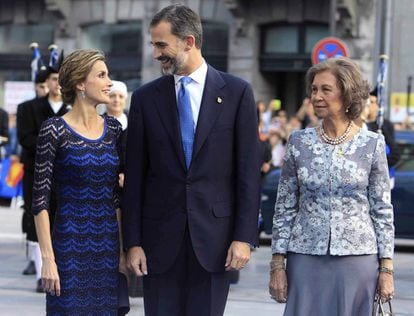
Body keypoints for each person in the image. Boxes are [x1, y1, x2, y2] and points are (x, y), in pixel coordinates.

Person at [122, 4, 261, 315]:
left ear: (188, 41)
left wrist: (243, 237)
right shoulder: (145, 98)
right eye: (153, 45)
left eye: (161, 44)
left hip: (216, 244)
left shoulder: (238, 93)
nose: (156, 54)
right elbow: (135, 178)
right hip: (158, 244)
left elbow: (248, 174)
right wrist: (133, 242)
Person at [269, 57, 395, 315]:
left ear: (347, 93)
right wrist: (277, 265)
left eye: (326, 89)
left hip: (358, 259)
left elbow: (382, 210)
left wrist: (386, 269)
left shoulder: (372, 144)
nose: (317, 96)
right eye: (314, 89)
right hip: (305, 256)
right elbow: (284, 208)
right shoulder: (298, 142)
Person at [32, 49, 126, 314]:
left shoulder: (115, 130)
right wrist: (48, 259)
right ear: (80, 84)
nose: (109, 82)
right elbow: (40, 201)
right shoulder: (54, 129)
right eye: (102, 75)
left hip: (106, 249)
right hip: (68, 249)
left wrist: (120, 252)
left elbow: (116, 197)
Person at [17, 66, 68, 292]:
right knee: (36, 218)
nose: (57, 84)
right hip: (36, 172)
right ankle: (41, 273)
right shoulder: (28, 108)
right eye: (54, 79)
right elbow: (25, 138)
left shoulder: (72, 108)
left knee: (61, 219)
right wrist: (54, 144)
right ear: (47, 82)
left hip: (66, 175)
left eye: (61, 80)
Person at [365, 90, 400, 189]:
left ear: (378, 105)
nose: (368, 105)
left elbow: (395, 155)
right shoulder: (359, 124)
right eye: (367, 102)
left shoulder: (384, 126)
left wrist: (376, 166)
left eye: (372, 102)